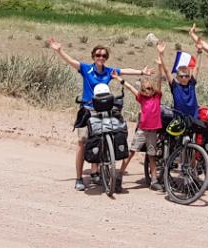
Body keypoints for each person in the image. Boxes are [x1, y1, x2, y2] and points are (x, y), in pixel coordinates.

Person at [46, 37, 144, 191]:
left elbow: (125, 70)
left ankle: (95, 172)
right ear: (93, 56)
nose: (101, 58)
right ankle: (79, 178)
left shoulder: (108, 71)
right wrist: (59, 51)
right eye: (98, 55)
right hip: (88, 109)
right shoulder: (86, 69)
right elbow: (71, 62)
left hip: (103, 109)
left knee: (101, 138)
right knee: (83, 141)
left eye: (104, 55)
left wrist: (142, 72)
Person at [121, 72, 165, 188]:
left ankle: (154, 181)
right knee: (131, 152)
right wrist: (119, 79)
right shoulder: (142, 98)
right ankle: (119, 176)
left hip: (152, 132)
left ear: (153, 89)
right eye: (144, 89)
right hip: (142, 130)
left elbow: (159, 82)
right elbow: (130, 88)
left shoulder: (157, 96)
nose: (147, 91)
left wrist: (160, 67)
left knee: (152, 155)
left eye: (149, 88)